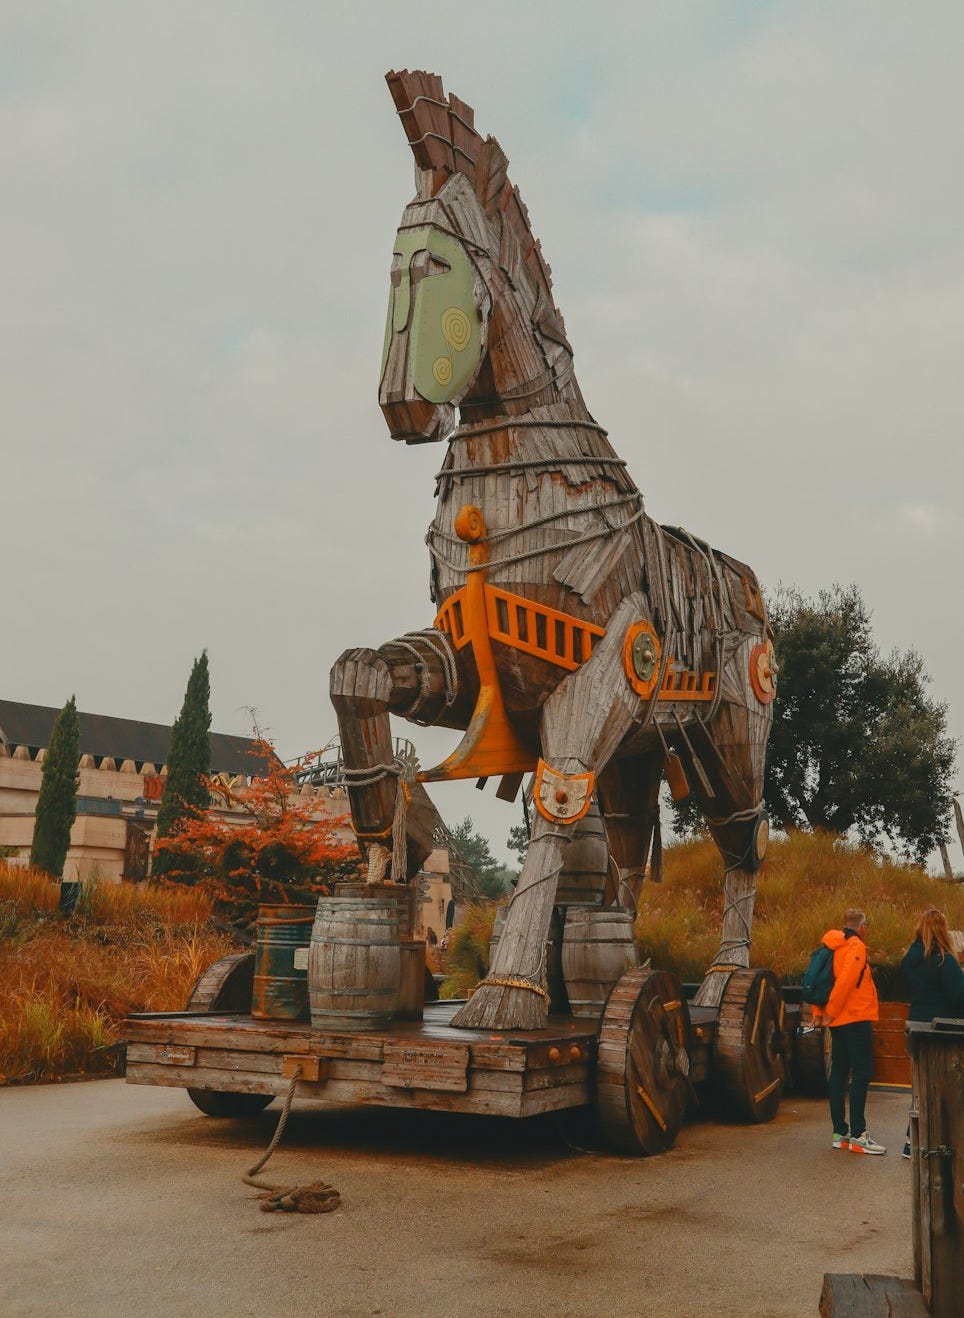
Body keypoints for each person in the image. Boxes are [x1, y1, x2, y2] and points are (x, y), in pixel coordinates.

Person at [814, 908, 885, 1155]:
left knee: (839, 1073)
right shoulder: (856, 947)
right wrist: (831, 1011)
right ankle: (858, 1134)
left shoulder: (831, 946)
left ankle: (839, 1133)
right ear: (862, 926)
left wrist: (819, 1013)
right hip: (854, 1017)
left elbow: (819, 981)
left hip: (838, 1023)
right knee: (862, 1072)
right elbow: (845, 982)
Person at [899, 907, 964, 1158]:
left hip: (915, 1026)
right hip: (942, 1031)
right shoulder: (943, 960)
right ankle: (937, 1141)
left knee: (920, 1087)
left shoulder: (910, 959)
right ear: (943, 930)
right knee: (942, 1086)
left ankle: (911, 1141)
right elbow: (958, 995)